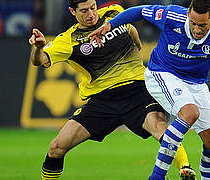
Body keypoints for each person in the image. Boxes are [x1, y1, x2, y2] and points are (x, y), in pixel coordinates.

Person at [88, 0, 210, 179]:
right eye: (193, 23)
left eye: (203, 25)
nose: (197, 29)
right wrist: (109, 24)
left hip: (196, 83)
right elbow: (139, 11)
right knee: (190, 112)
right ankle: (157, 176)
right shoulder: (171, 16)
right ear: (188, 15)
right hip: (162, 73)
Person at [28, 0, 196, 179]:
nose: (91, 14)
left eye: (93, 7)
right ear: (72, 11)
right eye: (84, 11)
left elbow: (130, 29)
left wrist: (137, 45)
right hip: (102, 100)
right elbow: (40, 60)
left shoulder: (114, 13)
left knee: (159, 126)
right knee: (57, 147)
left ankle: (185, 169)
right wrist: (38, 47)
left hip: (137, 90)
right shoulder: (68, 40)